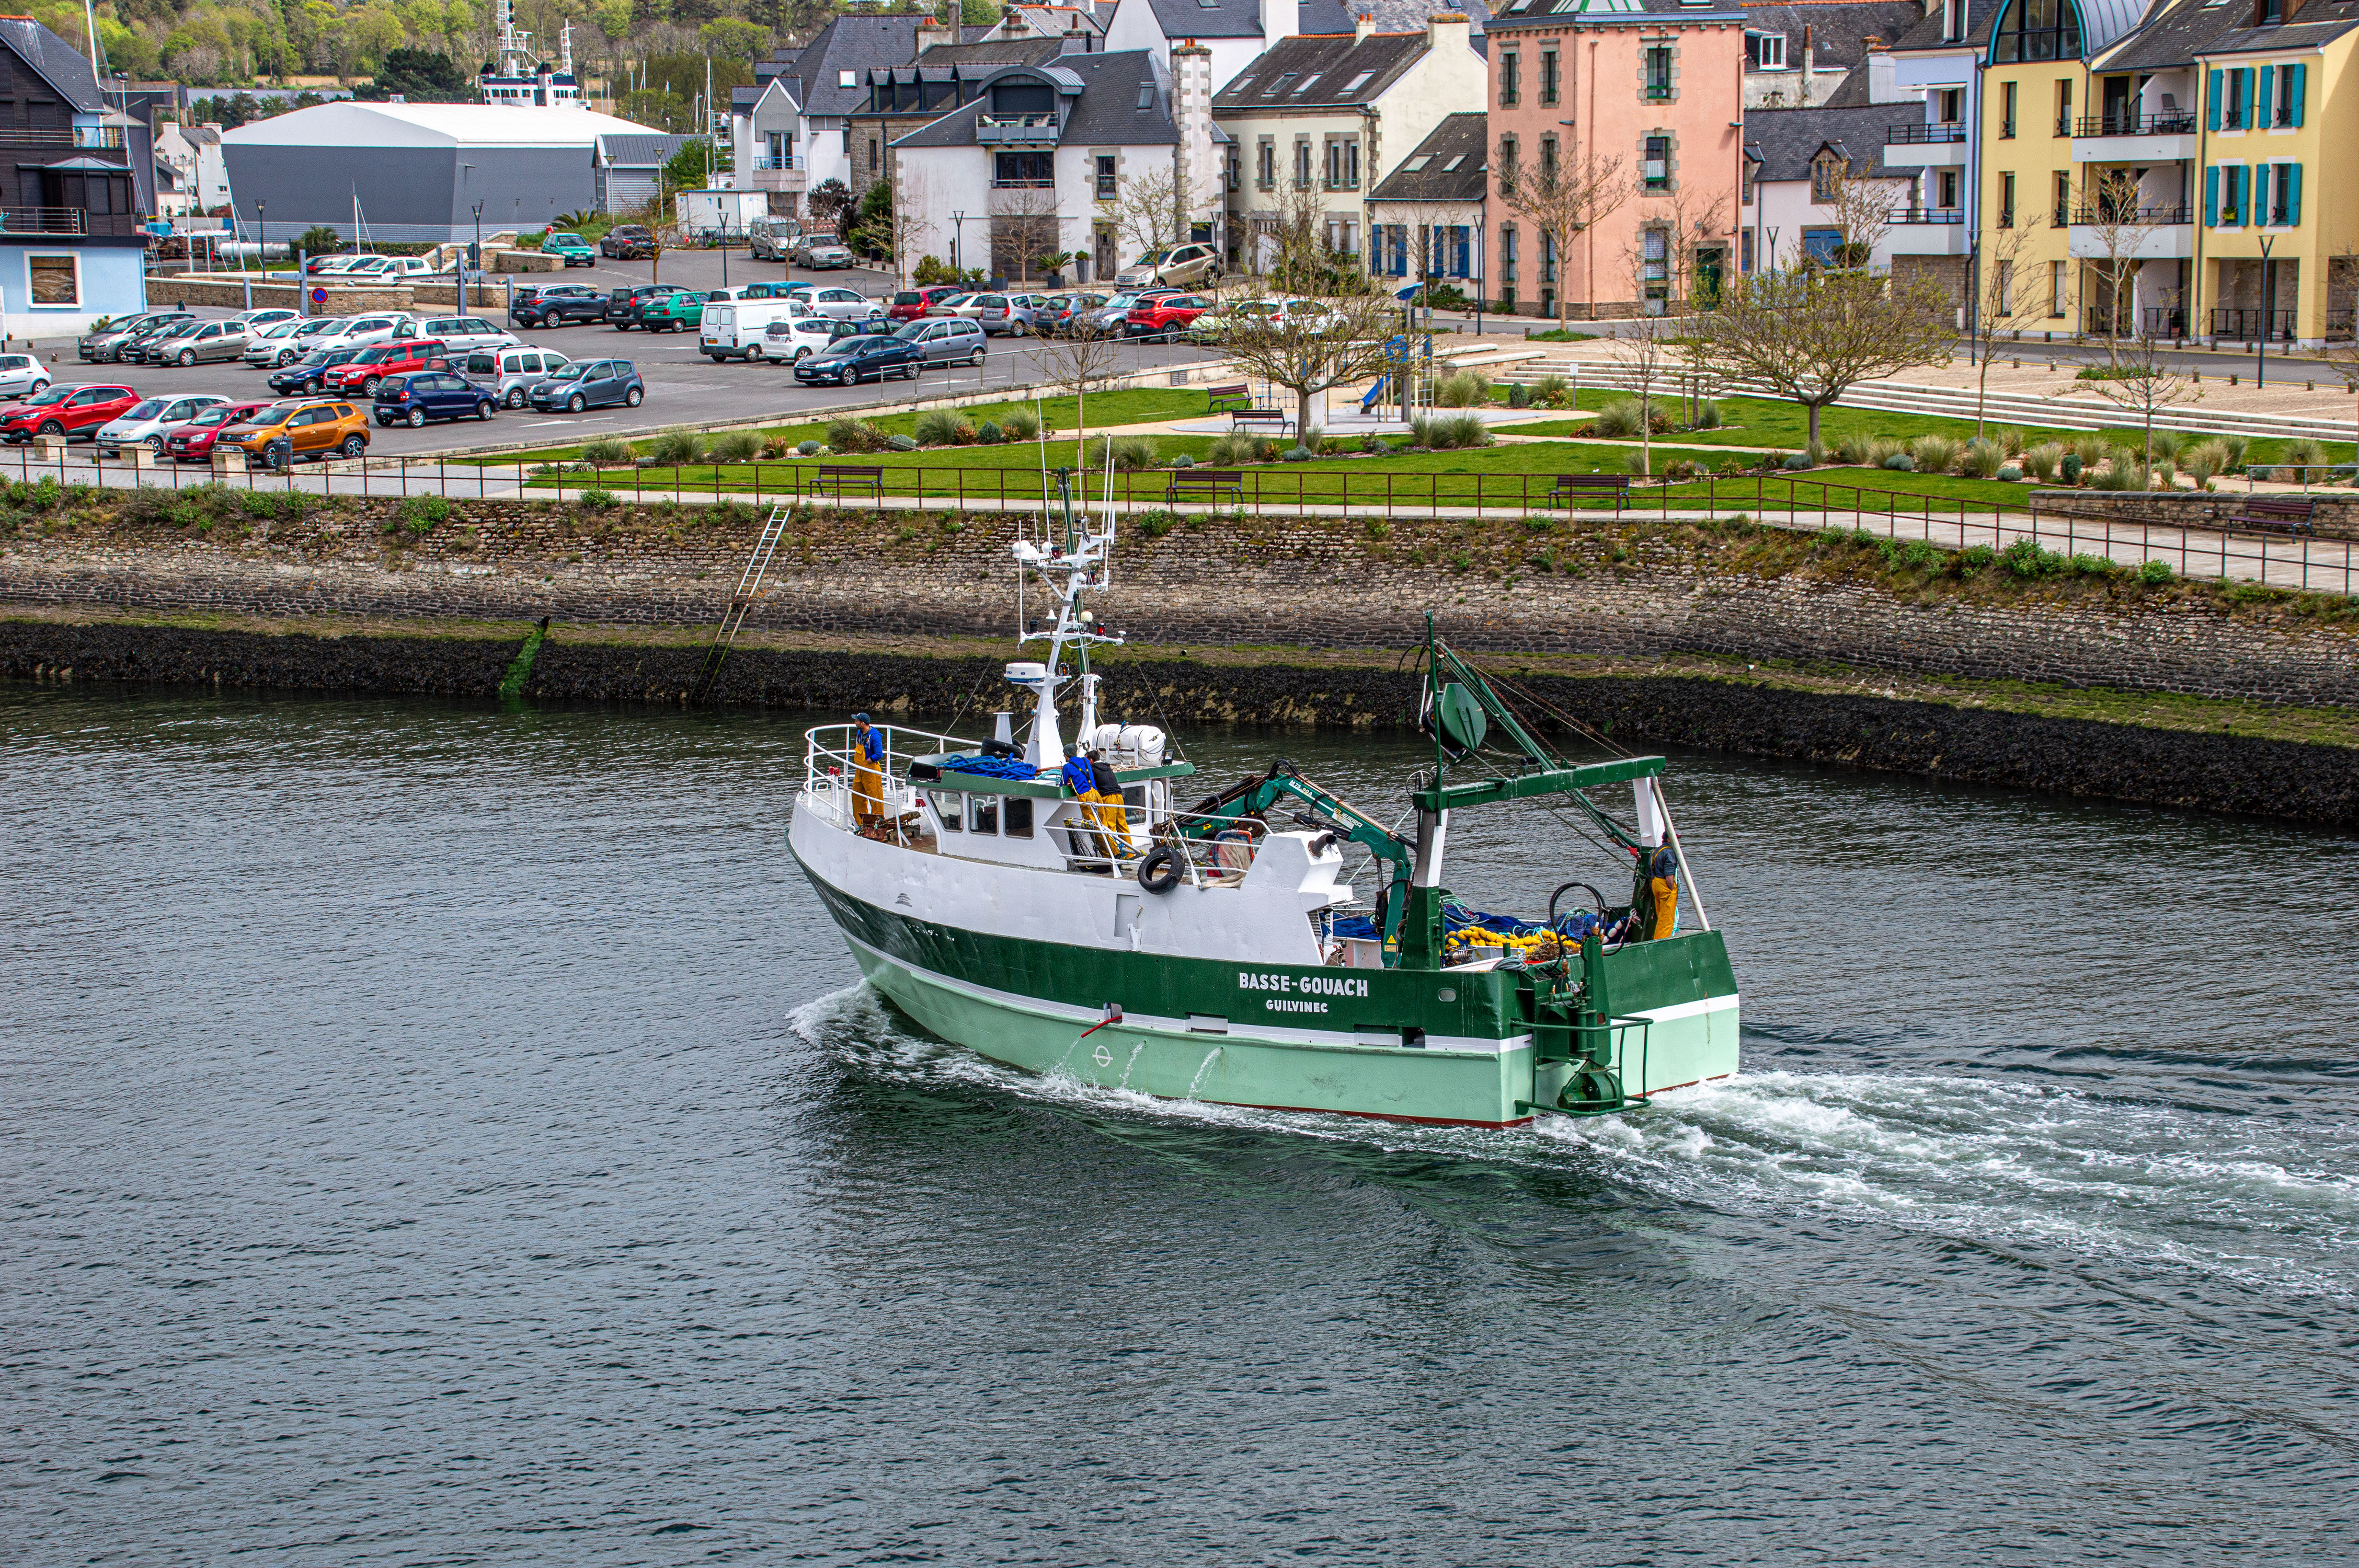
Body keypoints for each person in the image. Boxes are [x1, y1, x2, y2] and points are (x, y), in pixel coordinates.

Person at [1059, 748, 1103, 857]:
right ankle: (1113, 849)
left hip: (1085, 796)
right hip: (1096, 793)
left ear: (1068, 756)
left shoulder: (1067, 767)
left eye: (1065, 755)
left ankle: (1104, 852)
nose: (1064, 757)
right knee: (1103, 822)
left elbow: (1063, 783)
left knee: (1092, 825)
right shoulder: (1085, 760)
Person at [1089, 748, 1131, 856]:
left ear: (1090, 761)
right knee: (1122, 825)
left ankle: (1114, 853)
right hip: (1119, 796)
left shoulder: (1093, 769)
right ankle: (1130, 853)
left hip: (1108, 797)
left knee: (1110, 826)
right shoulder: (1108, 768)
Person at [850, 712, 886, 831]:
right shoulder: (860, 733)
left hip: (871, 772)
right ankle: (862, 824)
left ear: (863, 723)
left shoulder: (874, 736)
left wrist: (869, 761)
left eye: (857, 721)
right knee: (857, 796)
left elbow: (879, 754)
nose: (855, 722)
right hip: (860, 771)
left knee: (875, 799)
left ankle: (878, 825)